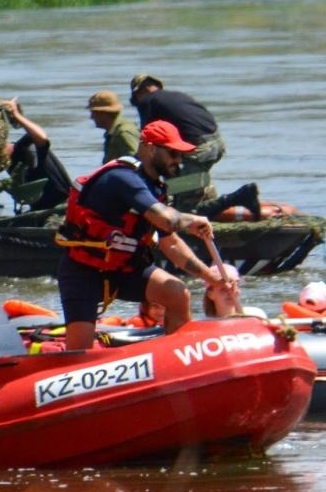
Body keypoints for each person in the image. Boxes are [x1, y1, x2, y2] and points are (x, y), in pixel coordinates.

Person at [55, 119, 235, 351]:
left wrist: (210, 278)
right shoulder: (122, 178)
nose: (178, 161)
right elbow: (168, 220)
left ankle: (178, 358)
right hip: (83, 271)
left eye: (181, 155)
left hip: (125, 269)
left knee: (177, 293)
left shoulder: (156, 188)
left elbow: (170, 242)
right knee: (79, 351)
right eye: (172, 153)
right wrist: (191, 220)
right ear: (150, 147)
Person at [129, 73, 225, 210]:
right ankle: (211, 201)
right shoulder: (176, 96)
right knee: (188, 183)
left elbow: (148, 137)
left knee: (184, 200)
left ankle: (189, 221)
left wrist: (134, 164)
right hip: (217, 143)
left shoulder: (148, 100)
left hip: (199, 147)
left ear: (140, 92)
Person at [0, 99, 72, 212]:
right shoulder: (9, 165)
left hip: (62, 207)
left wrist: (16, 115)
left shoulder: (27, 147)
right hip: (40, 210)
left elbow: (42, 137)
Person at [87, 90, 139, 164]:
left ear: (104, 113)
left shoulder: (124, 132)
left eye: (94, 113)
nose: (91, 117)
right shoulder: (114, 132)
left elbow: (136, 163)